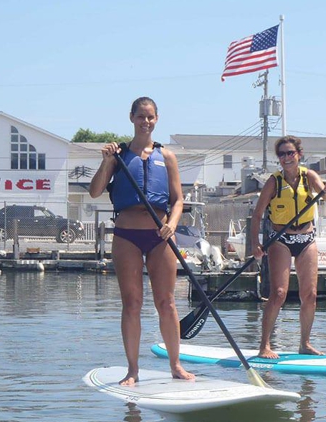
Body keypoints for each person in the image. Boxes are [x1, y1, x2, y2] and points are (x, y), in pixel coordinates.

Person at [89, 96, 194, 384]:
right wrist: (106, 161)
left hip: (160, 236)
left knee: (167, 302)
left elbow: (178, 200)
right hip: (127, 236)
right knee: (132, 303)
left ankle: (176, 365)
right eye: (140, 116)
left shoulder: (167, 157)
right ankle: (132, 370)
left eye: (150, 117)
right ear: (132, 118)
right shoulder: (119, 155)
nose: (145, 121)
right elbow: (95, 191)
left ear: (156, 119)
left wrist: (172, 224)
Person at [251, 135, 326, 359]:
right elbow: (257, 215)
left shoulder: (309, 176)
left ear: (299, 154)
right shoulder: (274, 182)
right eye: (282, 154)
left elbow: (325, 196)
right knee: (278, 293)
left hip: (306, 239)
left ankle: (305, 344)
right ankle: (264, 346)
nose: (287, 158)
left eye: (290, 153)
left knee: (310, 294)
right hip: (281, 239)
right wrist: (255, 244)